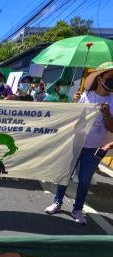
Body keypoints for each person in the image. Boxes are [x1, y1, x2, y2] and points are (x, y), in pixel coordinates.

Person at [45, 62, 113, 224]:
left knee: (84, 180)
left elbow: (111, 128)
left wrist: (107, 114)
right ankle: (57, 202)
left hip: (95, 149)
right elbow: (72, 122)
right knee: (65, 175)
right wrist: (74, 107)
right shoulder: (84, 96)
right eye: (110, 78)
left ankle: (77, 209)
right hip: (76, 144)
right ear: (100, 78)